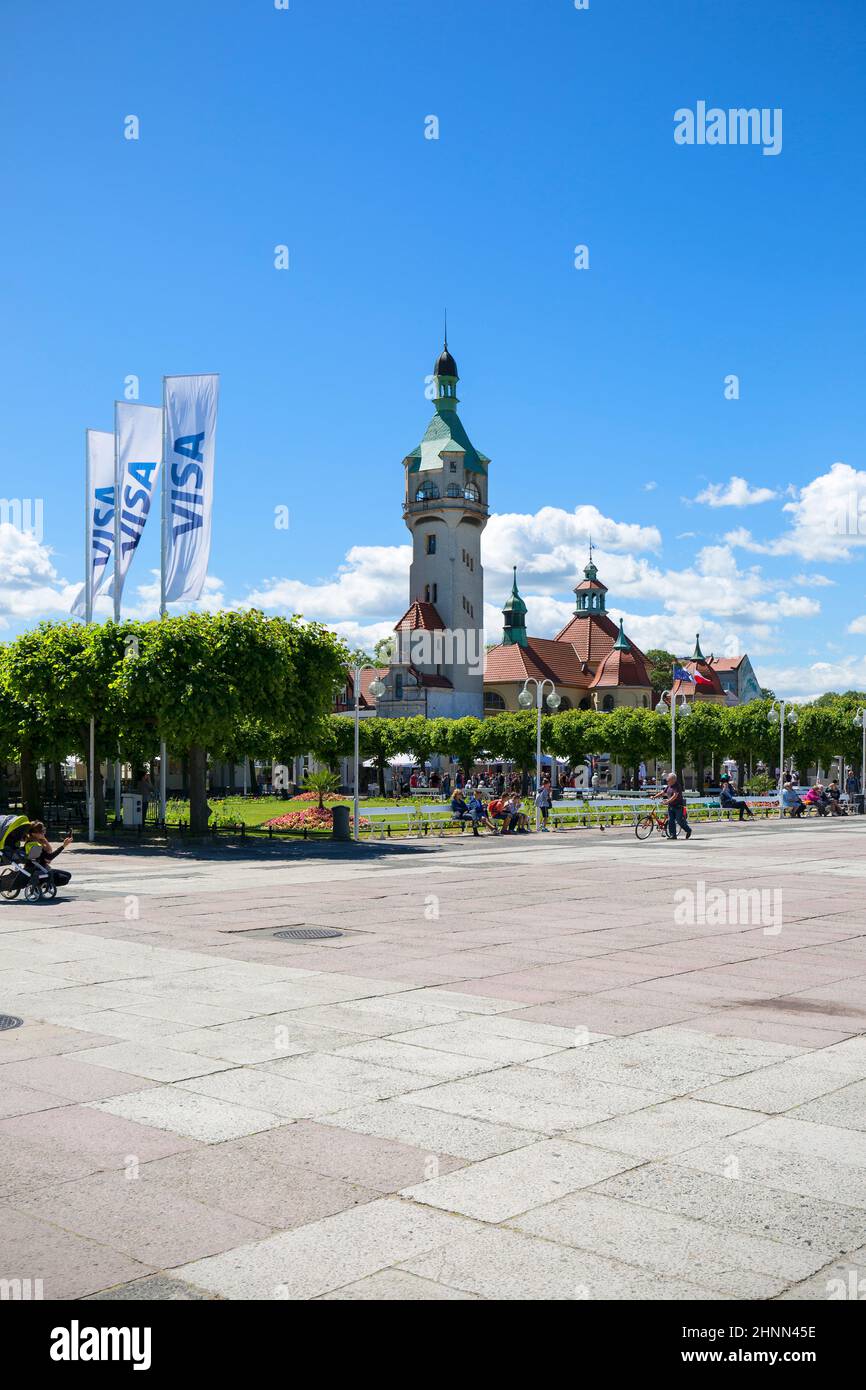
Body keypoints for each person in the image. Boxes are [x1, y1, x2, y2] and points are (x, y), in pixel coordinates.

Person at [660, 772, 691, 840]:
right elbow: (662, 793)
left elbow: (675, 796)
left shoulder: (677, 786)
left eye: (669, 779)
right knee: (671, 820)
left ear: (673, 779)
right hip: (671, 806)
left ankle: (688, 830)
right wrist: (654, 796)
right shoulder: (669, 785)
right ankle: (673, 835)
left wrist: (667, 801)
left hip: (678, 807)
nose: (667, 780)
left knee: (679, 820)